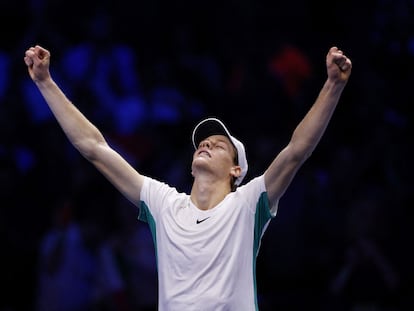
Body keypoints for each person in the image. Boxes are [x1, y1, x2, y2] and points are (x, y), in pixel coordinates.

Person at [24, 44, 352, 310]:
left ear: (236, 170)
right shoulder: (164, 203)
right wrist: (45, 82)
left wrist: (333, 86)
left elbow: (296, 150)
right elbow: (94, 147)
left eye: (219, 144)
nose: (207, 143)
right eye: (203, 142)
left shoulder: (249, 204)